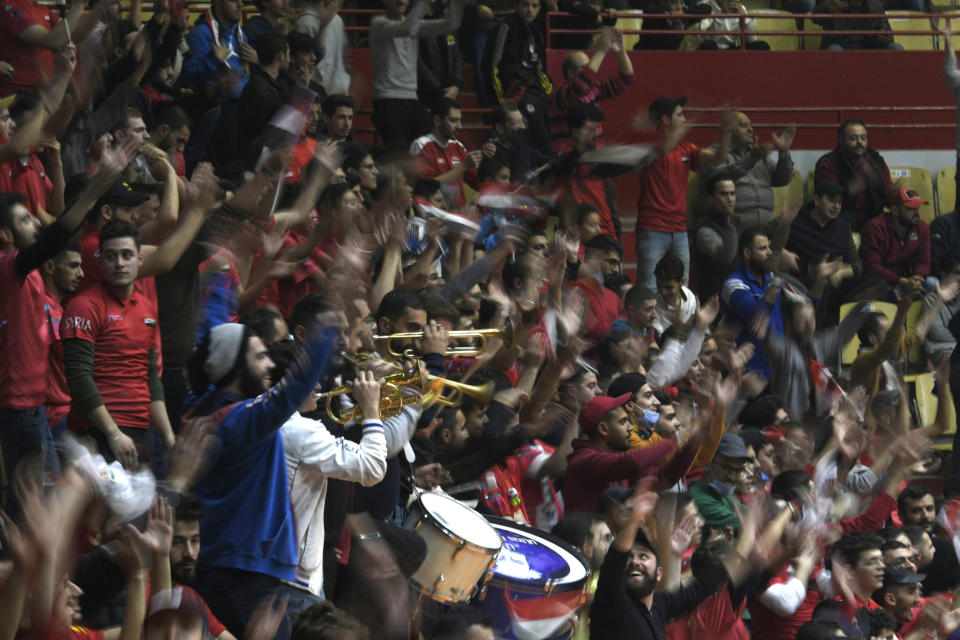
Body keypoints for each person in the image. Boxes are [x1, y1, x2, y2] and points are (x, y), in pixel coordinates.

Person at [184, 320, 338, 639]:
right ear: (236, 367)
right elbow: (297, 386)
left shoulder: (202, 414)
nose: (270, 365)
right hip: (244, 576)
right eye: (259, 357)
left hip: (219, 567)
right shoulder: (243, 417)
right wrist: (330, 324)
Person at [62, 219, 175, 466]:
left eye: (126, 255)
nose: (119, 263)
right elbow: (78, 376)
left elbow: (151, 378)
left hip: (140, 429)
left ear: (140, 259)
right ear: (101, 261)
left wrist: (167, 435)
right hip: (97, 432)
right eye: (111, 256)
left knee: (142, 504)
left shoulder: (146, 308)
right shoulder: (83, 306)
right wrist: (112, 433)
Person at [635, 96, 725, 288]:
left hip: (679, 229)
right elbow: (664, 149)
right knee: (649, 286)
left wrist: (726, 131)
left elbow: (719, 157)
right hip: (652, 228)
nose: (684, 119)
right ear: (666, 120)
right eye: (680, 114)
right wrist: (694, 120)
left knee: (682, 287)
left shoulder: (685, 148)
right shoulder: (648, 142)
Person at [564, 393, 698, 512]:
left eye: (628, 421)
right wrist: (673, 440)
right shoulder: (583, 460)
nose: (630, 428)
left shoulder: (614, 457)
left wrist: (692, 445)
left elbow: (664, 478)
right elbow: (632, 462)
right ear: (603, 429)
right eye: (623, 422)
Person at [369, 0, 464, 152]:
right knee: (400, 157)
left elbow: (450, 25)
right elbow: (405, 29)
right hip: (388, 98)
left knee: (429, 149)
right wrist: (424, 4)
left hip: (412, 99)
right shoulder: (378, 23)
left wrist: (457, 4)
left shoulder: (416, 24)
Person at [184, 0, 256, 168]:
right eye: (233, 0)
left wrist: (257, 61)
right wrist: (214, 61)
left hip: (243, 105)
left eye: (241, 1)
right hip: (218, 107)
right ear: (217, 4)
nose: (240, 5)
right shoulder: (199, 34)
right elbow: (191, 78)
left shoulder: (240, 35)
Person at [482, 0, 554, 156]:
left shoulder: (536, 32)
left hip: (535, 90)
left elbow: (540, 68)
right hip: (513, 90)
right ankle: (549, 160)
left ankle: (544, 162)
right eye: (525, 5)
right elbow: (491, 65)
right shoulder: (505, 27)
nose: (530, 10)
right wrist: (500, 98)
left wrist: (548, 92)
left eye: (535, 6)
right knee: (532, 131)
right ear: (516, 6)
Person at [706, 112, 795, 231]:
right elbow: (720, 177)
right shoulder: (716, 153)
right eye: (743, 125)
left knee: (792, 231)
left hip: (768, 224)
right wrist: (751, 159)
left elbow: (783, 180)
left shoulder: (759, 154)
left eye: (751, 126)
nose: (750, 129)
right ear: (728, 130)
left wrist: (783, 153)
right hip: (735, 225)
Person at [720, 228, 784, 377]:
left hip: (777, 369)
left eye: (769, 247)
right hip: (748, 374)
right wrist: (778, 278)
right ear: (747, 253)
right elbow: (757, 315)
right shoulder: (733, 284)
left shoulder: (771, 277)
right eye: (763, 248)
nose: (770, 253)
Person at [814, 119, 894, 231]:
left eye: (863, 138)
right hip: (842, 217)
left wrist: (894, 194)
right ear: (841, 141)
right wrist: (851, 190)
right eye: (853, 138)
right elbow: (827, 203)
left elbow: (887, 192)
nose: (859, 143)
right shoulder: (829, 163)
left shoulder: (876, 161)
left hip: (874, 217)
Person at [859, 187, 932, 300]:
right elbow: (872, 266)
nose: (916, 213)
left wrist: (918, 278)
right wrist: (901, 281)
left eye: (917, 208)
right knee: (884, 290)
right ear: (895, 210)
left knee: (932, 284)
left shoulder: (922, 228)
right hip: (882, 282)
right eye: (910, 208)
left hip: (908, 279)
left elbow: (924, 261)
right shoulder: (875, 228)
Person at [409, 97, 482, 208]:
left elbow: (477, 183)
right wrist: (462, 167)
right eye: (453, 120)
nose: (459, 126)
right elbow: (426, 188)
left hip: (458, 215)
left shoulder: (458, 146)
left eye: (460, 120)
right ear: (437, 120)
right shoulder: (422, 145)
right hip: (433, 215)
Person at [554, 26, 634, 113]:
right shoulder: (560, 94)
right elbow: (581, 85)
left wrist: (621, 52)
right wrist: (602, 50)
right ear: (570, 73)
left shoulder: (594, 89)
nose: (591, 70)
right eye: (585, 68)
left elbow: (627, 80)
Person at [238, 31, 290, 144]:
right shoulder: (260, 90)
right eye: (289, 54)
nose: (290, 60)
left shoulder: (271, 82)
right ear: (281, 56)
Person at [814, 0, 901, 50]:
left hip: (870, 49)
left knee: (895, 48)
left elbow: (888, 34)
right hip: (844, 49)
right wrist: (826, 8)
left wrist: (885, 37)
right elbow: (814, 18)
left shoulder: (875, 4)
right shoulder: (834, 3)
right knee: (834, 49)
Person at [652, 252, 697, 335]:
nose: (663, 292)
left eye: (669, 287)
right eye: (659, 286)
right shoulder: (652, 305)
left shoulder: (690, 297)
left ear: (682, 282)